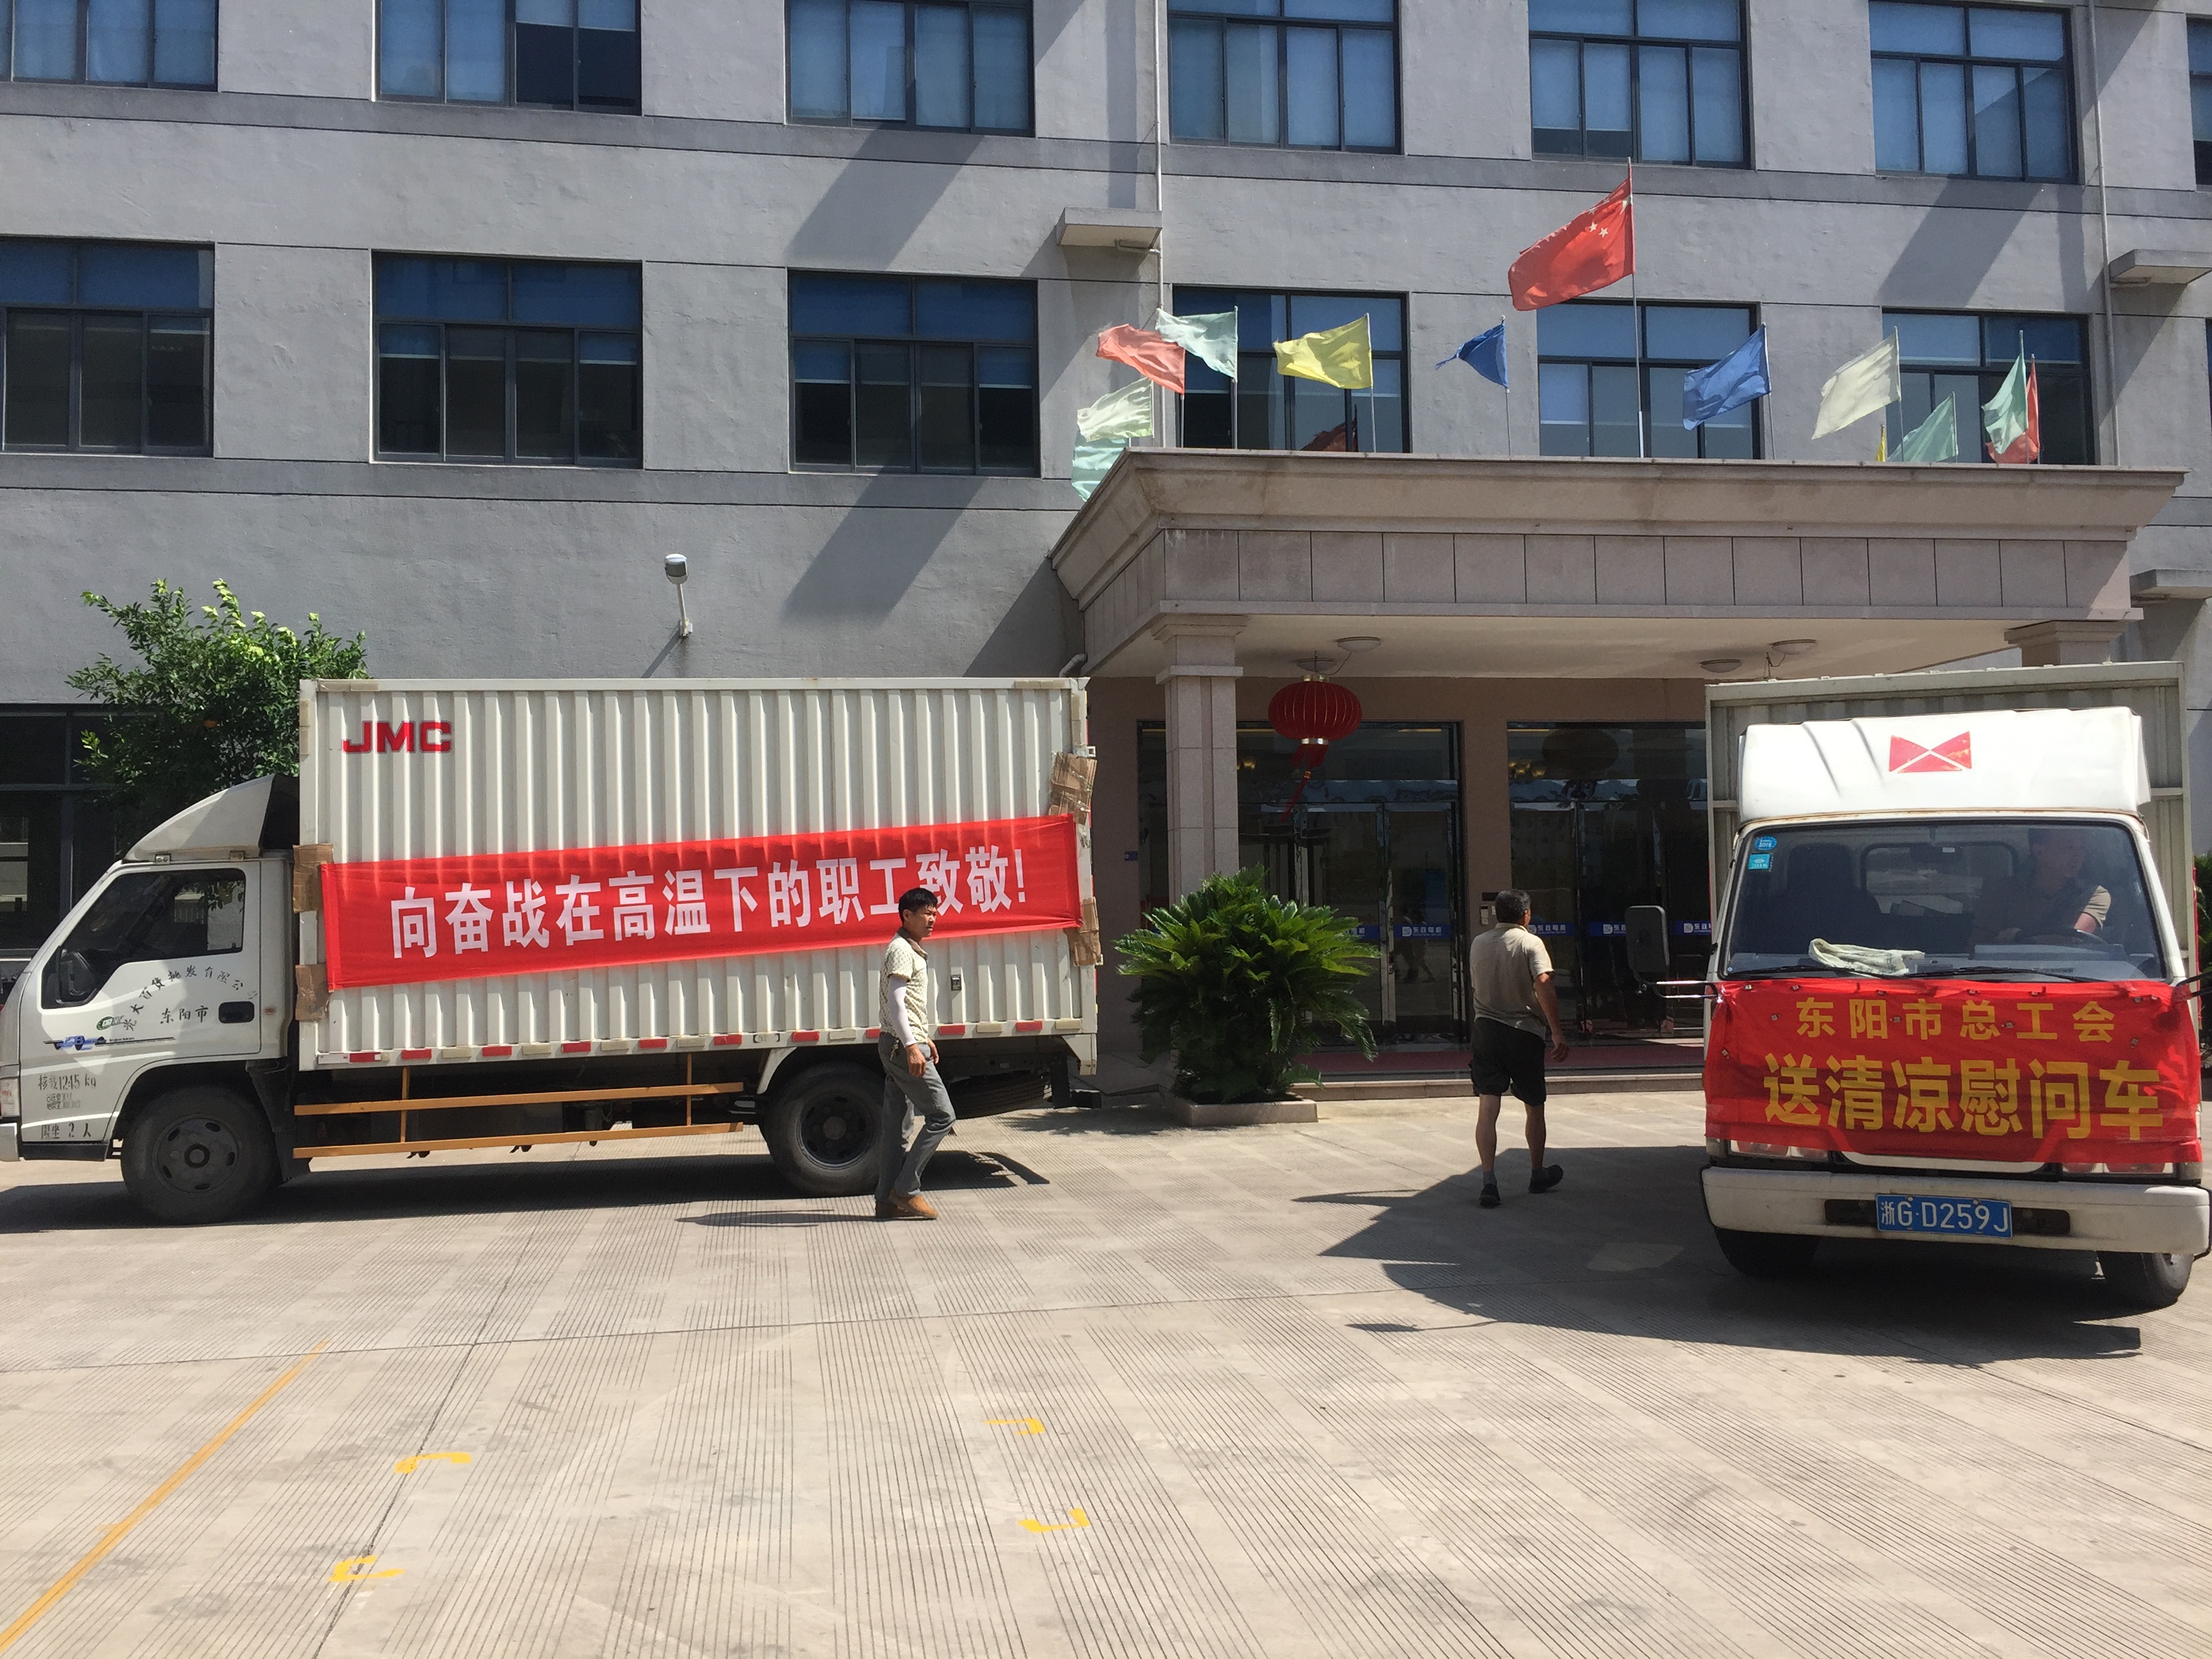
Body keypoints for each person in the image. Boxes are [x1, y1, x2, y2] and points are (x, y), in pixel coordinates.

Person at [1467, 889, 1570, 1209]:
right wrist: (1557, 1032)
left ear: (1497, 914)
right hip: (1524, 1032)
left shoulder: (1478, 943)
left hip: (1485, 1030)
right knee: (1534, 1104)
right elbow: (1544, 983)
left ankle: (1489, 1180)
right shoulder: (1530, 943)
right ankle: (1537, 1173)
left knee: (1488, 1106)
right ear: (1526, 914)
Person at [877, 887, 956, 1221]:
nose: (932, 919)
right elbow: (896, 1002)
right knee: (943, 1116)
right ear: (907, 915)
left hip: (900, 1042)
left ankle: (886, 1201)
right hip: (902, 1047)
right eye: (926, 914)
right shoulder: (901, 950)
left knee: (897, 1129)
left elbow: (908, 1005)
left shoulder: (909, 949)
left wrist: (923, 1037)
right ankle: (906, 1190)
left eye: (935, 913)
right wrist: (912, 1045)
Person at [1971, 825, 2111, 947]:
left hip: (2073, 968)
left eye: (2081, 848)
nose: (2077, 856)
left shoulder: (2095, 895)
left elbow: (2074, 937)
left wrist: (2020, 937)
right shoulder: (2000, 890)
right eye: (2069, 848)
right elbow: (1978, 946)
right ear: (2040, 852)